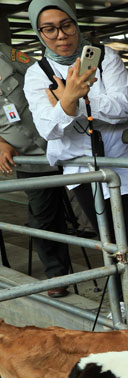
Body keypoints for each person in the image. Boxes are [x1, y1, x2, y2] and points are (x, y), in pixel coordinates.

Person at [23, 0, 128, 327]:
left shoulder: (105, 56)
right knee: (109, 240)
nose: (61, 35)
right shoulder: (35, 73)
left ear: (76, 23)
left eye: (66, 24)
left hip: (122, 167)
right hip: (81, 172)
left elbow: (124, 107)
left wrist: (72, 98)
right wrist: (72, 101)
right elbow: (48, 128)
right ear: (39, 33)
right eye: (49, 29)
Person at [0, 42, 70, 298]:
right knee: (42, 218)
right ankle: (57, 274)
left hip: (63, 143)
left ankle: (121, 268)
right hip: (30, 159)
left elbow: (43, 73)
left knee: (95, 209)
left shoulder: (5, 54)